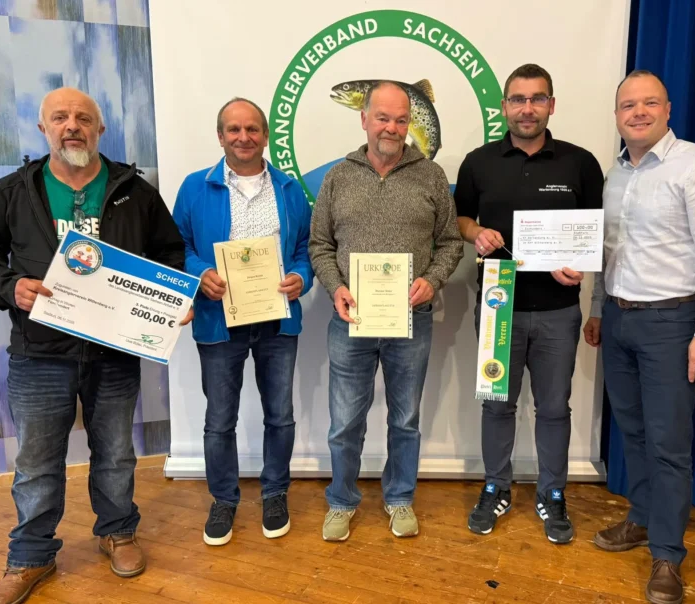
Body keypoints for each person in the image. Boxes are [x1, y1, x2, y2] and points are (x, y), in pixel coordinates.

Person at [0, 87, 187, 604]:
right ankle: (30, 555)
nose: (72, 126)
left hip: (115, 352)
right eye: (60, 117)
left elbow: (169, 253)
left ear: (100, 129)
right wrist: (9, 286)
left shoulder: (134, 191)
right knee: (37, 461)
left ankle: (118, 532)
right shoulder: (13, 191)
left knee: (117, 453)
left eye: (83, 117)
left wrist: (172, 300)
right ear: (44, 129)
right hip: (40, 351)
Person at [584, 70, 695, 604]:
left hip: (674, 326)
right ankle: (641, 518)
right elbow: (607, 250)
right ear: (617, 115)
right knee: (633, 433)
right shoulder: (615, 175)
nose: (638, 112)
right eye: (628, 105)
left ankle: (667, 555)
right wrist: (598, 309)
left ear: (668, 109)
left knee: (669, 444)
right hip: (620, 320)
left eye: (649, 103)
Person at [454, 63, 604, 541]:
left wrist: (578, 262)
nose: (527, 108)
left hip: (559, 310)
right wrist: (476, 232)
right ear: (504, 106)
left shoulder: (580, 163)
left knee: (554, 407)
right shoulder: (478, 162)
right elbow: (460, 218)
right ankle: (495, 486)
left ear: (551, 105)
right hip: (498, 305)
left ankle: (552, 493)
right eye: (518, 99)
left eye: (537, 98)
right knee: (497, 405)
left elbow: (595, 233)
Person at [309, 81, 463, 541]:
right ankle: (341, 501)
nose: (392, 128)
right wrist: (335, 287)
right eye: (382, 118)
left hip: (411, 320)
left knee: (405, 419)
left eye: (400, 119)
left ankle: (399, 498)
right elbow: (320, 245)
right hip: (350, 320)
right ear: (364, 119)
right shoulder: (338, 176)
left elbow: (451, 242)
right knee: (345, 423)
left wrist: (431, 280)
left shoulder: (430, 176)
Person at [172, 97, 314, 546]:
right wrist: (199, 274)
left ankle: (274, 493)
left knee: (281, 416)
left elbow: (306, 248)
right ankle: (223, 500)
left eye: (252, 129)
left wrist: (302, 277)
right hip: (219, 319)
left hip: (277, 320)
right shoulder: (195, 187)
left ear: (265, 135)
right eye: (233, 129)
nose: (243, 137)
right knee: (219, 420)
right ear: (220, 136)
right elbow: (176, 245)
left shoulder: (289, 189)